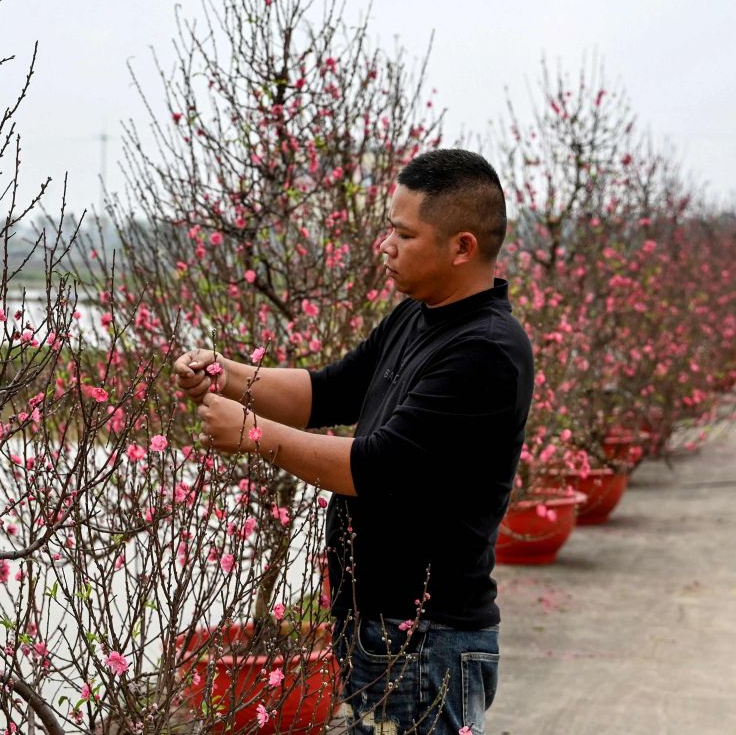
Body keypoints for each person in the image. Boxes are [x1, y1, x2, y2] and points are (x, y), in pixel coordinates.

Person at [175, 148, 534, 735]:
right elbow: (326, 392)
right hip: (380, 630)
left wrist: (252, 436)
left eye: (403, 234)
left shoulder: (485, 351)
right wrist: (227, 374)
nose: (385, 247)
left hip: (426, 640)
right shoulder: (417, 316)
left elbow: (374, 467)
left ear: (462, 246)